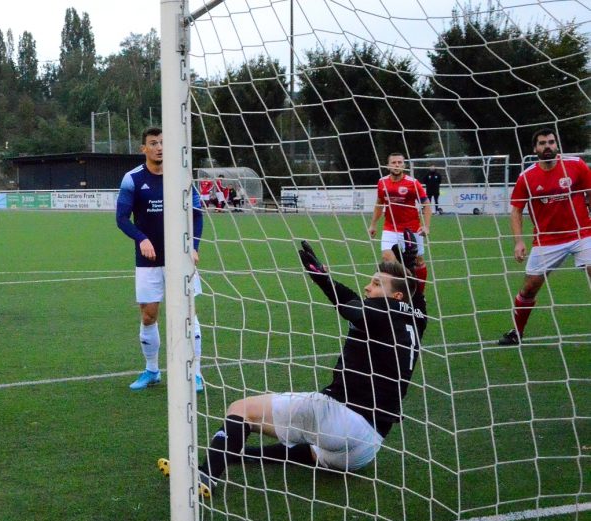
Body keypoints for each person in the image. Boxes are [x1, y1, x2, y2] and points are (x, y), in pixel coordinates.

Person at [163, 234, 427, 496]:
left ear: (397, 295)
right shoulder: (417, 318)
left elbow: (350, 308)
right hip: (365, 449)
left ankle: (206, 475)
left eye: (377, 284)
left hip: (342, 418)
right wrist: (412, 268)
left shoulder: (381, 312)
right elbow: (407, 298)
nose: (368, 288)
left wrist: (321, 278)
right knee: (310, 448)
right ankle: (238, 454)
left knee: (241, 410)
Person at [116, 127, 205, 392]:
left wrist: (194, 245)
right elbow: (121, 218)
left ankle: (195, 373)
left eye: (163, 143)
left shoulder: (182, 175)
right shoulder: (132, 179)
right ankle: (152, 371)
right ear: (144, 148)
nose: (159, 147)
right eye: (153, 143)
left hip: (180, 258)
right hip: (148, 261)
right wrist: (141, 238)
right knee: (148, 316)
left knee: (189, 313)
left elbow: (197, 215)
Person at [499, 128, 591, 346]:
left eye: (551, 142)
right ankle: (517, 333)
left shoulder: (576, 165)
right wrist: (519, 241)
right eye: (542, 143)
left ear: (557, 145)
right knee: (530, 286)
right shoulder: (527, 177)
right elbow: (515, 210)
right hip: (547, 240)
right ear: (535, 149)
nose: (547, 146)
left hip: (582, 233)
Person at [368, 152, 431, 292]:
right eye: (394, 162)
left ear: (404, 165)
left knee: (418, 260)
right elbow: (379, 203)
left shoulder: (413, 183)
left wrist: (426, 226)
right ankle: (403, 286)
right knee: (387, 258)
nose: (397, 165)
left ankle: (419, 294)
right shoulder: (382, 182)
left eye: (399, 162)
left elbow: (426, 204)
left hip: (412, 229)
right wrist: (373, 224)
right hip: (390, 227)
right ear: (388, 165)